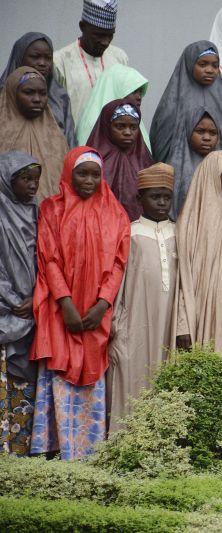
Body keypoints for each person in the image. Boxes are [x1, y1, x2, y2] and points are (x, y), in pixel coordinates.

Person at [29, 147, 130, 460]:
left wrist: (102, 304)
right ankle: (57, 448)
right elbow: (49, 257)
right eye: (82, 173)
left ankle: (88, 450)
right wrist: (66, 304)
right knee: (59, 373)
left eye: (94, 174)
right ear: (69, 173)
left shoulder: (116, 213)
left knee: (92, 372)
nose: (88, 180)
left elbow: (117, 263)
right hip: (62, 313)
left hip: (95, 314)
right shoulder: (52, 209)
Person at [107, 163, 177, 432]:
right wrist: (116, 323)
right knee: (130, 374)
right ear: (139, 199)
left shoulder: (179, 232)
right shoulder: (130, 233)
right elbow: (118, 281)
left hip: (169, 322)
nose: (161, 203)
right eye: (154, 196)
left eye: (166, 197)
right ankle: (127, 445)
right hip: (133, 321)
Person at [173, 151, 222, 379]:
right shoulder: (192, 218)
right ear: (212, 175)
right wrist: (182, 324)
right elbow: (182, 274)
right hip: (199, 313)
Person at [0, 152, 41, 456]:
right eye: (25, 180)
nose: (33, 185)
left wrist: (36, 296)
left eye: (36, 179)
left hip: (32, 310)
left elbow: (45, 258)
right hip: (6, 310)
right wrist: (15, 300)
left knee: (23, 385)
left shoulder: (36, 213)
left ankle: (19, 451)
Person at [150, 41, 222, 163]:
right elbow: (161, 142)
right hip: (178, 170)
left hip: (214, 170)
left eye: (215, 65)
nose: (210, 70)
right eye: (203, 64)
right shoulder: (174, 99)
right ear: (189, 64)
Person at [0, 67, 68, 199]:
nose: (37, 99)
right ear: (13, 93)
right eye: (28, 92)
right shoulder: (3, 132)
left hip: (50, 216)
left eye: (42, 93)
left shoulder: (56, 136)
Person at [53, 0, 128, 121]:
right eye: (99, 35)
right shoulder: (59, 61)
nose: (105, 42)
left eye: (110, 35)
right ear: (82, 27)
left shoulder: (120, 58)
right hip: (73, 139)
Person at [1, 33, 76, 147]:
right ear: (20, 57)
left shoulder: (59, 97)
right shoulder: (3, 95)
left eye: (48, 58)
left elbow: (70, 141)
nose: (42, 63)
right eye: (35, 57)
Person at [86, 99, 154, 220]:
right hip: (101, 226)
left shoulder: (144, 159)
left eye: (133, 127)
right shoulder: (92, 159)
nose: (127, 132)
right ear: (107, 126)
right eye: (120, 126)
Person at [164, 105, 222, 220]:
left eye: (213, 133)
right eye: (200, 131)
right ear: (187, 131)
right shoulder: (173, 169)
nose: (207, 138)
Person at [74, 64, 149, 148]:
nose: (139, 97)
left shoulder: (135, 120)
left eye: (140, 92)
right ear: (117, 89)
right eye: (133, 91)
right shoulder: (94, 125)